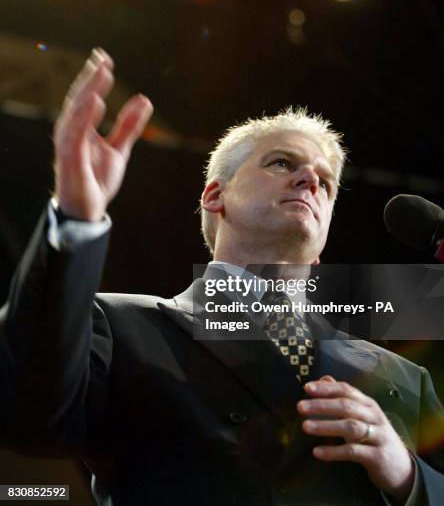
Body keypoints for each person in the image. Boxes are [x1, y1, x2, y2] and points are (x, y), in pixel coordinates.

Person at [1, 48, 443, 505]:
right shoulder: (119, 329)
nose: (310, 180)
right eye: (282, 163)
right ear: (216, 196)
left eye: (325, 182)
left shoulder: (404, 378)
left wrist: (408, 475)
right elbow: (26, 414)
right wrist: (75, 219)